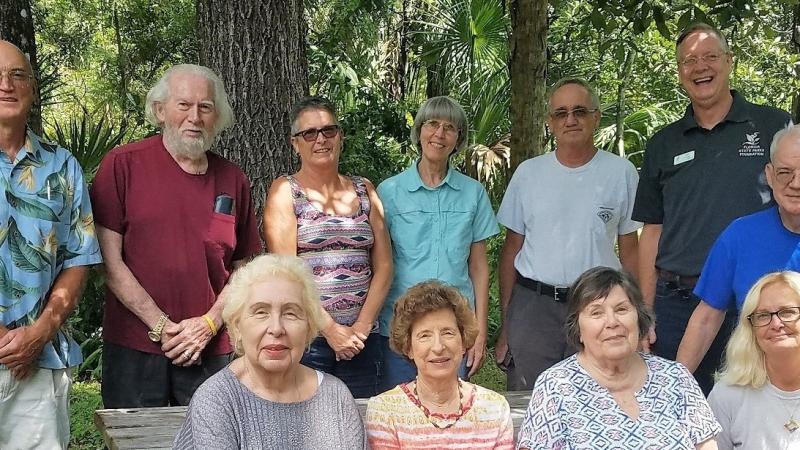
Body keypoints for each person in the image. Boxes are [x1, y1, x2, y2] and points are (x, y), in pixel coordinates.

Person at [633, 22, 791, 395]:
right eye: (689, 60)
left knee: (762, 407)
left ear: (729, 61)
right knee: (678, 404)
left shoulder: (773, 125)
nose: (700, 67)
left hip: (756, 305)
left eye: (709, 56)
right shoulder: (663, 142)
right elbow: (651, 231)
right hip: (677, 305)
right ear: (679, 71)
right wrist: (645, 310)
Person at [91, 64, 262, 408]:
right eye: (183, 105)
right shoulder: (123, 165)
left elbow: (244, 269)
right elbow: (109, 261)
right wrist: (162, 326)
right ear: (160, 110)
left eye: (205, 107)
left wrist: (209, 325)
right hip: (134, 346)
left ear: (218, 117)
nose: (194, 117)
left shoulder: (233, 178)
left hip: (211, 349)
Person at [495, 77, 640, 390]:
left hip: (597, 305)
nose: (570, 119)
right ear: (550, 122)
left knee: (599, 394)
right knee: (530, 398)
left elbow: (631, 251)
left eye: (579, 111)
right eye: (560, 113)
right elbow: (511, 251)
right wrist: (508, 323)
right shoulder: (529, 174)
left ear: (596, 117)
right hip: (534, 306)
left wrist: (637, 315)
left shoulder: (620, 173)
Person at [0, 40, 101, 448]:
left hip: (38, 365)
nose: (6, 84)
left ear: (32, 87)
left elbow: (80, 258)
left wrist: (40, 333)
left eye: (17, 74)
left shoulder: (63, 166)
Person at [264, 96, 392, 398]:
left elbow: (385, 265)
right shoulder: (285, 191)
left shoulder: (365, 189)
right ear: (295, 143)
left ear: (340, 137)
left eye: (329, 131)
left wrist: (360, 328)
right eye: (310, 133)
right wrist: (331, 330)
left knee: (362, 429)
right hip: (309, 342)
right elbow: (287, 273)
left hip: (363, 341)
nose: (321, 139)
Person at [173, 254, 367, 449]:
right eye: (261, 312)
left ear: (309, 328)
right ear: (237, 326)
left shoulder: (336, 397)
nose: (276, 328)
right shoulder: (217, 401)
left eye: (290, 313)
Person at [517, 267, 720, 450]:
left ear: (639, 319)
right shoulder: (556, 386)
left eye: (621, 309)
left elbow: (707, 447)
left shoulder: (676, 378)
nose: (612, 322)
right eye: (596, 313)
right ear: (578, 329)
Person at [377, 96, 499, 389]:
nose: (440, 134)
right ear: (419, 131)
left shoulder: (473, 193)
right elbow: (379, 263)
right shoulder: (389, 192)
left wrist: (479, 329)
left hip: (454, 328)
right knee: (401, 411)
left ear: (458, 139)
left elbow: (479, 267)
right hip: (401, 327)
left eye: (450, 128)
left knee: (451, 414)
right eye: (432, 124)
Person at [677, 124, 800, 372]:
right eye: (785, 172)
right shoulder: (740, 236)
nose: (796, 184)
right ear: (769, 174)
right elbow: (706, 319)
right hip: (755, 385)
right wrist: (677, 386)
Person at [365, 281, 513, 450]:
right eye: (424, 335)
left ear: (464, 341)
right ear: (408, 347)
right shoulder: (385, 411)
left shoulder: (494, 408)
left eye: (448, 333)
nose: (438, 347)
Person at [708, 271, 800, 450]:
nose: (776, 324)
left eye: (787, 312)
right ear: (750, 330)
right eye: (763, 316)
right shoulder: (727, 394)